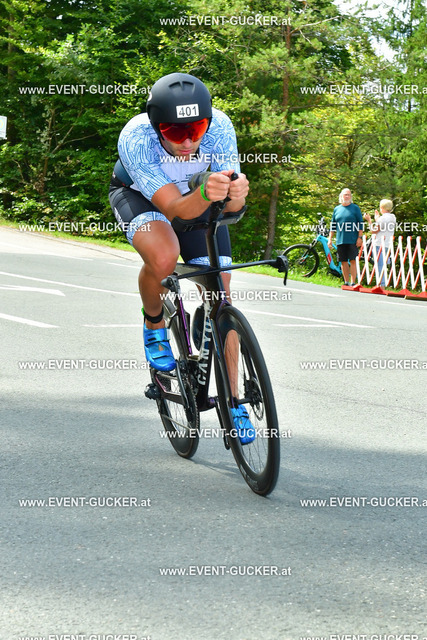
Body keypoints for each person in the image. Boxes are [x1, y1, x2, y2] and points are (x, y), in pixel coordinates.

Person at [108, 72, 254, 443]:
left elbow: (232, 207)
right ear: (157, 127)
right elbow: (174, 209)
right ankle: (154, 323)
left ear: (207, 121)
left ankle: (234, 401)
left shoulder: (220, 126)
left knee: (220, 290)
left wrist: (236, 195)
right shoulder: (136, 137)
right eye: (175, 132)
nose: (188, 142)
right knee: (164, 255)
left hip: (198, 197)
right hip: (142, 196)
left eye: (196, 129)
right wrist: (206, 192)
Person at [328, 188, 364, 286]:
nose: (347, 196)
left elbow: (361, 223)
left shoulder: (355, 208)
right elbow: (333, 225)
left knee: (353, 260)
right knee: (343, 261)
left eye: (348, 195)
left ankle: (353, 282)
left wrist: (360, 237)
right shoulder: (337, 209)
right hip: (341, 239)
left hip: (353, 239)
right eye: (345, 195)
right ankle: (346, 282)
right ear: (341, 196)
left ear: (351, 197)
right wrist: (330, 239)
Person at [363, 200, 396, 287]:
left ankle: (382, 284)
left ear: (382, 208)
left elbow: (374, 231)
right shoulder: (393, 217)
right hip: (387, 243)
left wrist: (369, 221)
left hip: (379, 244)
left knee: (380, 265)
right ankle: (383, 281)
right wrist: (377, 218)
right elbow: (382, 223)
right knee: (382, 263)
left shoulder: (382, 219)